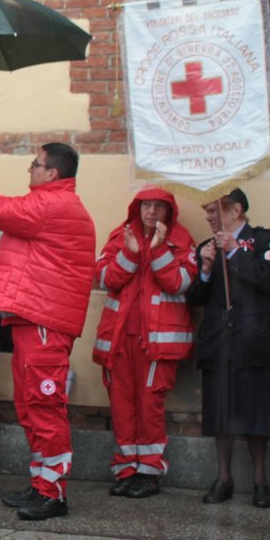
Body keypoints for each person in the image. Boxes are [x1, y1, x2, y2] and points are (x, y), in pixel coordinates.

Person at [0, 143, 97, 521]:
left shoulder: (53, 205)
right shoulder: (52, 205)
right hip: (32, 319)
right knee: (30, 406)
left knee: (44, 407)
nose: (30, 171)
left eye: (35, 165)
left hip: (44, 324)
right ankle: (41, 484)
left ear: (52, 173)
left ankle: (53, 494)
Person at [91, 187, 197, 499]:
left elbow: (181, 283)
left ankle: (149, 473)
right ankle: (125, 469)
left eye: (158, 207)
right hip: (120, 340)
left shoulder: (181, 240)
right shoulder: (120, 235)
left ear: (169, 212)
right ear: (136, 208)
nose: (151, 212)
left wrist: (160, 249)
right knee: (122, 407)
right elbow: (104, 278)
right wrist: (131, 253)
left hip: (157, 344)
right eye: (146, 206)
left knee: (150, 407)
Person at [186, 188, 270, 509]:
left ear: (236, 210)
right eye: (207, 211)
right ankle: (224, 478)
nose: (209, 216)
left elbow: (269, 279)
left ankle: (260, 480)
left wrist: (234, 253)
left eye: (215, 210)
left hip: (256, 341)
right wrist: (204, 269)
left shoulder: (264, 240)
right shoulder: (207, 246)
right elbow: (195, 297)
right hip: (219, 343)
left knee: (259, 413)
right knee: (221, 414)